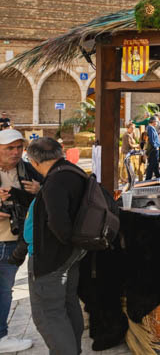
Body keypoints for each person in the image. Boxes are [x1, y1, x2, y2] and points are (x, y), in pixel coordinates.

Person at [24, 137, 85, 354]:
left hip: (52, 259)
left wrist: (61, 246)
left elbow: (59, 225)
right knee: (67, 309)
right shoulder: (74, 173)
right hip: (72, 255)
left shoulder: (54, 182)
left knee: (48, 315)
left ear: (33, 162)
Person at [0, 130, 39, 352]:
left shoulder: (26, 168)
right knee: (3, 291)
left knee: (4, 289)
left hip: (13, 239)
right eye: (9, 148)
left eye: (18, 148)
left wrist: (39, 190)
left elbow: (49, 194)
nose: (15, 153)